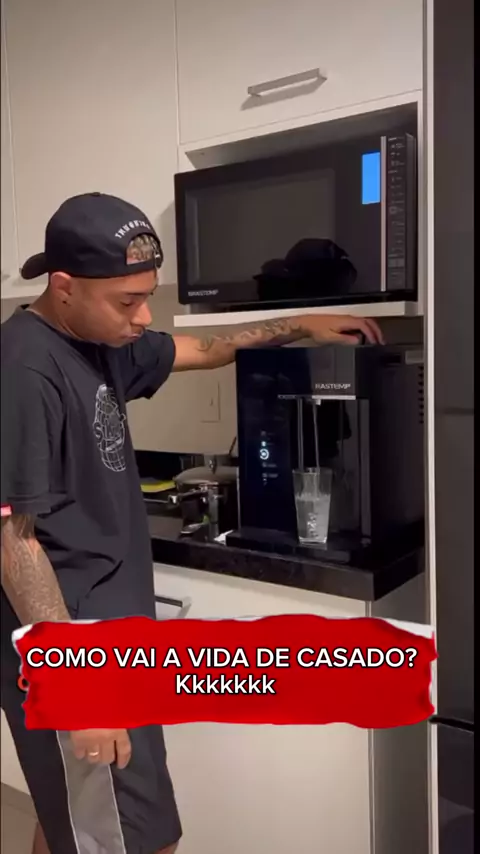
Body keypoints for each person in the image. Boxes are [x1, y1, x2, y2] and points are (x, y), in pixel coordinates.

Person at [0, 192, 384, 854]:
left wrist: (303, 322)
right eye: (128, 301)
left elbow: (204, 349)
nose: (143, 317)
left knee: (75, 824)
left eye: (146, 296)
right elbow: (12, 538)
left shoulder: (99, 339)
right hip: (73, 649)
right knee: (141, 841)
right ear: (64, 287)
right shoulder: (23, 369)